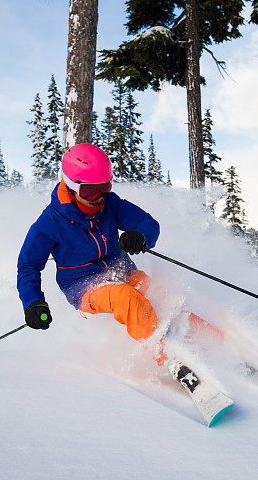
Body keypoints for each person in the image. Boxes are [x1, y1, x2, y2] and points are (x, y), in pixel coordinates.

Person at [17, 143, 221, 364]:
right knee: (126, 298)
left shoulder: (109, 204)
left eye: (104, 187)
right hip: (84, 286)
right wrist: (33, 303)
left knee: (163, 294)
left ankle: (215, 343)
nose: (98, 197)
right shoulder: (49, 223)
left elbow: (148, 223)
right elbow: (28, 266)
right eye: (90, 190)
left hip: (122, 271)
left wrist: (141, 236)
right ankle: (171, 359)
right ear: (71, 186)